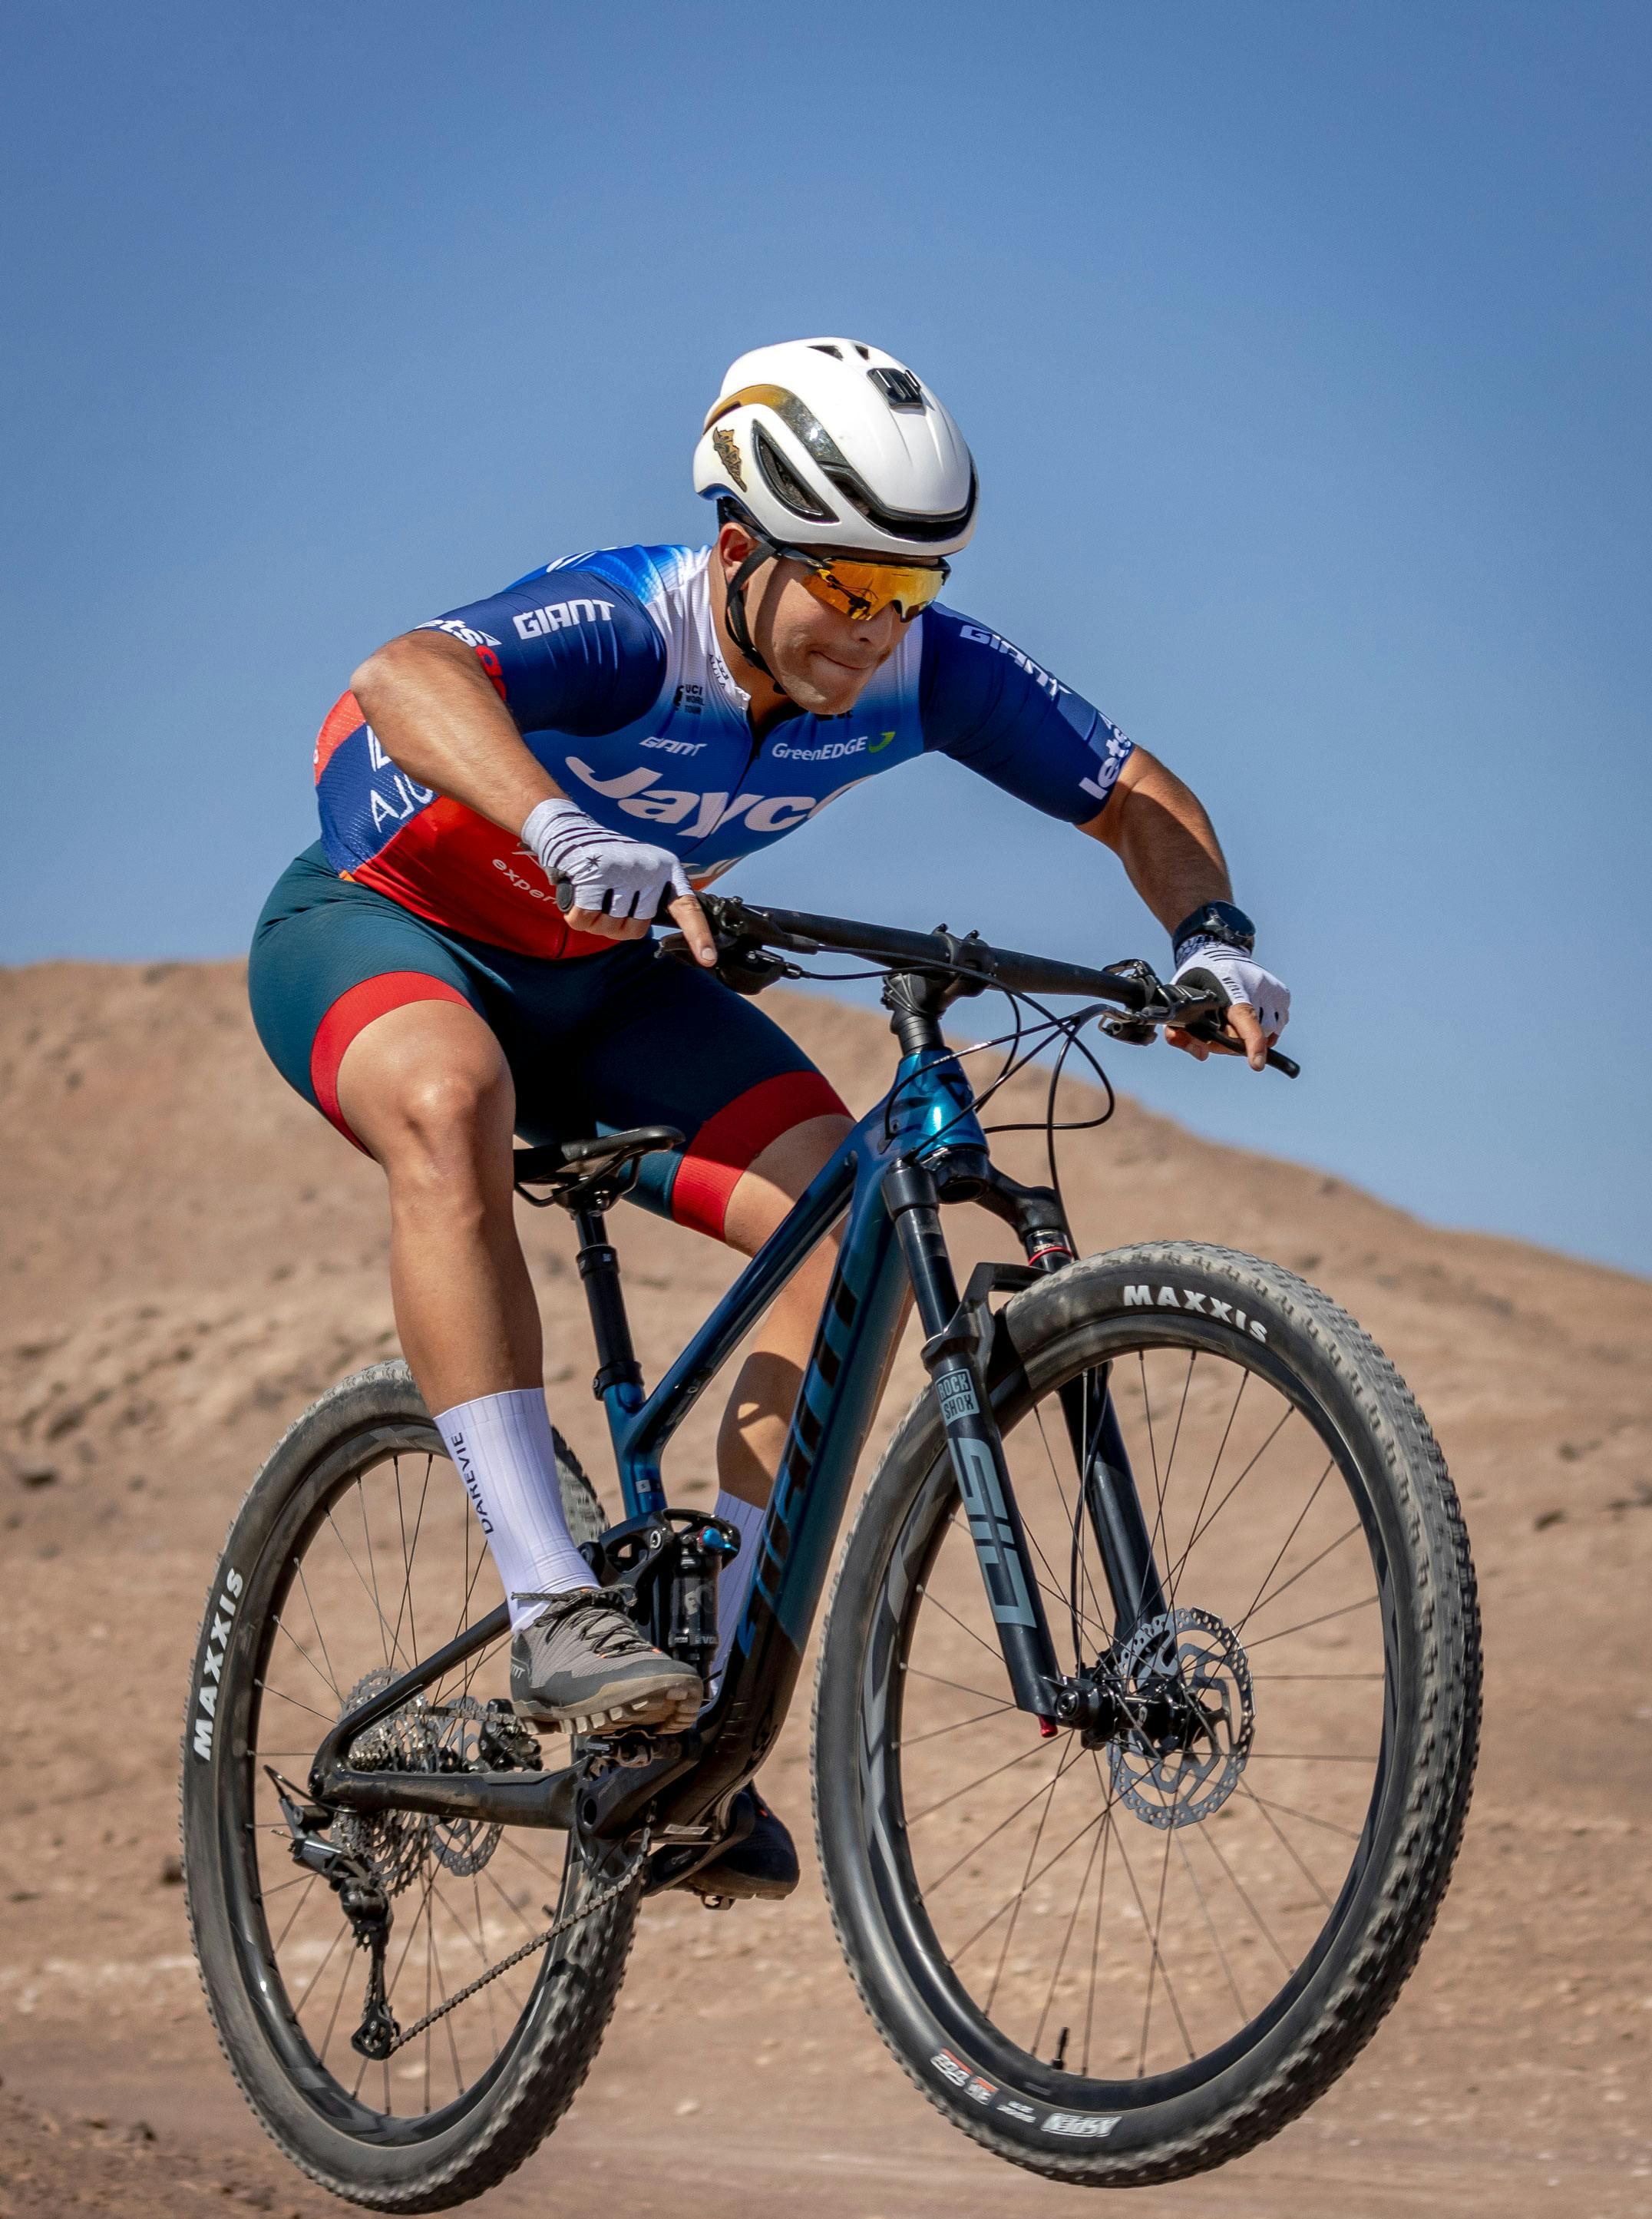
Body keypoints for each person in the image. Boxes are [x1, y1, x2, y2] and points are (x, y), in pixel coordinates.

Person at [248, 336, 1290, 1900]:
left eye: (909, 595)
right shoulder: (633, 624)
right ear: (740, 547)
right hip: (387, 933)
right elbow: (399, 678)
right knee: (452, 1096)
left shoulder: (920, 665)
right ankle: (549, 1607)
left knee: (847, 1213)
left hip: (607, 990)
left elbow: (1125, 788)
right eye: (849, 590)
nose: (876, 635)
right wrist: (550, 818)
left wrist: (1211, 934)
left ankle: (699, 1709)